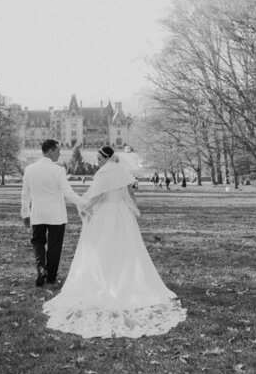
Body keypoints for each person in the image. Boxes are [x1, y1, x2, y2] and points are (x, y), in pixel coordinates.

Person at [43, 146, 186, 338]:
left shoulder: (104, 173)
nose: (98, 161)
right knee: (126, 249)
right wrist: (134, 210)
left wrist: (85, 206)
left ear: (107, 157)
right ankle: (122, 282)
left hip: (106, 213)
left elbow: (99, 195)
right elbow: (131, 194)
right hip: (123, 214)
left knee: (103, 248)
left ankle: (107, 283)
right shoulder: (123, 172)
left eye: (100, 158)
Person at [21, 139, 84, 287]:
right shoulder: (58, 170)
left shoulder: (30, 169)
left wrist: (25, 213)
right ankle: (51, 277)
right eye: (58, 150)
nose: (60, 153)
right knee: (55, 246)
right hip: (56, 215)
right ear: (50, 151)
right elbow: (67, 192)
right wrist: (84, 203)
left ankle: (41, 268)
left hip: (38, 214)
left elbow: (25, 194)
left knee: (38, 242)